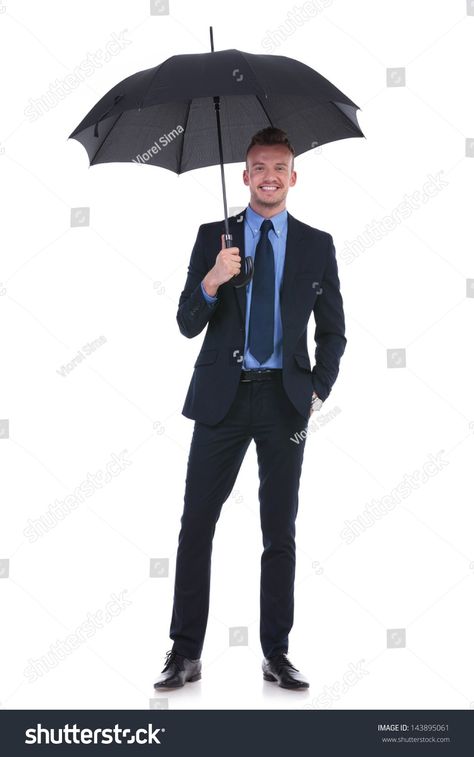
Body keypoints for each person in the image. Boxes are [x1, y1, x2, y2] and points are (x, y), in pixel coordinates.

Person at [154, 127, 346, 691]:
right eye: (259, 166)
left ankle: (276, 654)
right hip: (223, 397)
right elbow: (188, 323)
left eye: (279, 166)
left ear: (293, 175)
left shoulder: (317, 244)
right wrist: (214, 279)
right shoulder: (214, 236)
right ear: (244, 175)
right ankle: (184, 653)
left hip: (286, 403)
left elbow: (333, 331)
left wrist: (319, 389)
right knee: (196, 523)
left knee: (278, 530)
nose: (268, 176)